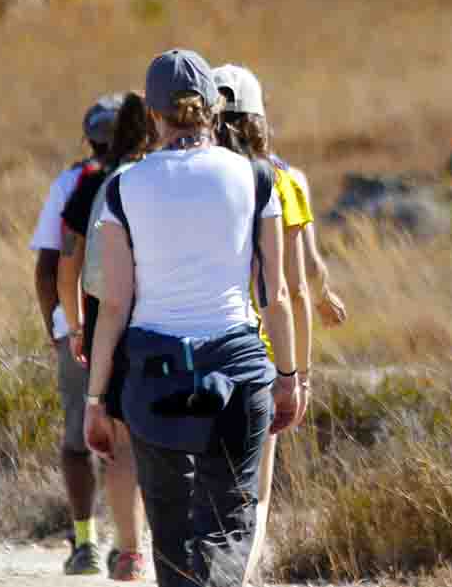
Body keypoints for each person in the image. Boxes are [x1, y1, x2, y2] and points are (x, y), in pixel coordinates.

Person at [83, 49, 305, 587]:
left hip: (155, 374)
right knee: (229, 521)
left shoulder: (123, 187)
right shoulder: (256, 179)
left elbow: (114, 303)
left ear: (153, 113)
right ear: (212, 108)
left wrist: (95, 399)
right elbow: (273, 293)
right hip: (239, 364)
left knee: (174, 529)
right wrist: (290, 376)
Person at [210, 63, 348, 580]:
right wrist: (302, 372)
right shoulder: (284, 179)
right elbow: (294, 282)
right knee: (256, 490)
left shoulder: (191, 174)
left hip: (194, 342)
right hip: (262, 349)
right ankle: (238, 578)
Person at [29, 92, 143, 577]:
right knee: (130, 441)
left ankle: (85, 541)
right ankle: (129, 544)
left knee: (81, 439)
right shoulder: (145, 177)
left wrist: (58, 326)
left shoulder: (74, 182)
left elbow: (48, 265)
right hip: (138, 325)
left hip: (80, 329)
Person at [55, 91, 155, 581]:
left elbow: (66, 262)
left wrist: (75, 324)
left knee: (119, 442)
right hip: (164, 318)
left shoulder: (92, 183)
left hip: (104, 322)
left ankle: (131, 550)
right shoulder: (167, 179)